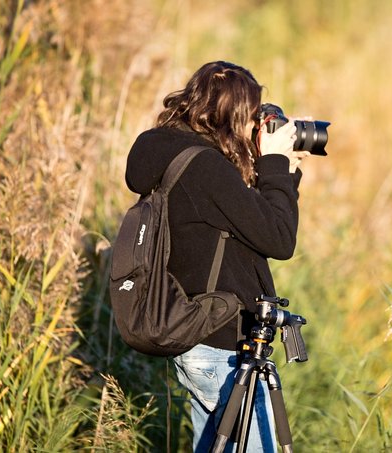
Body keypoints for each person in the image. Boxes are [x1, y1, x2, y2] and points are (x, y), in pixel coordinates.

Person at [124, 61, 309, 452]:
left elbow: (244, 224)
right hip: (220, 347)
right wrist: (275, 162)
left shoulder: (184, 157)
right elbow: (279, 239)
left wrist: (283, 174)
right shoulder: (206, 168)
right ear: (233, 118)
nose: (255, 128)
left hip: (200, 337)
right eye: (252, 117)